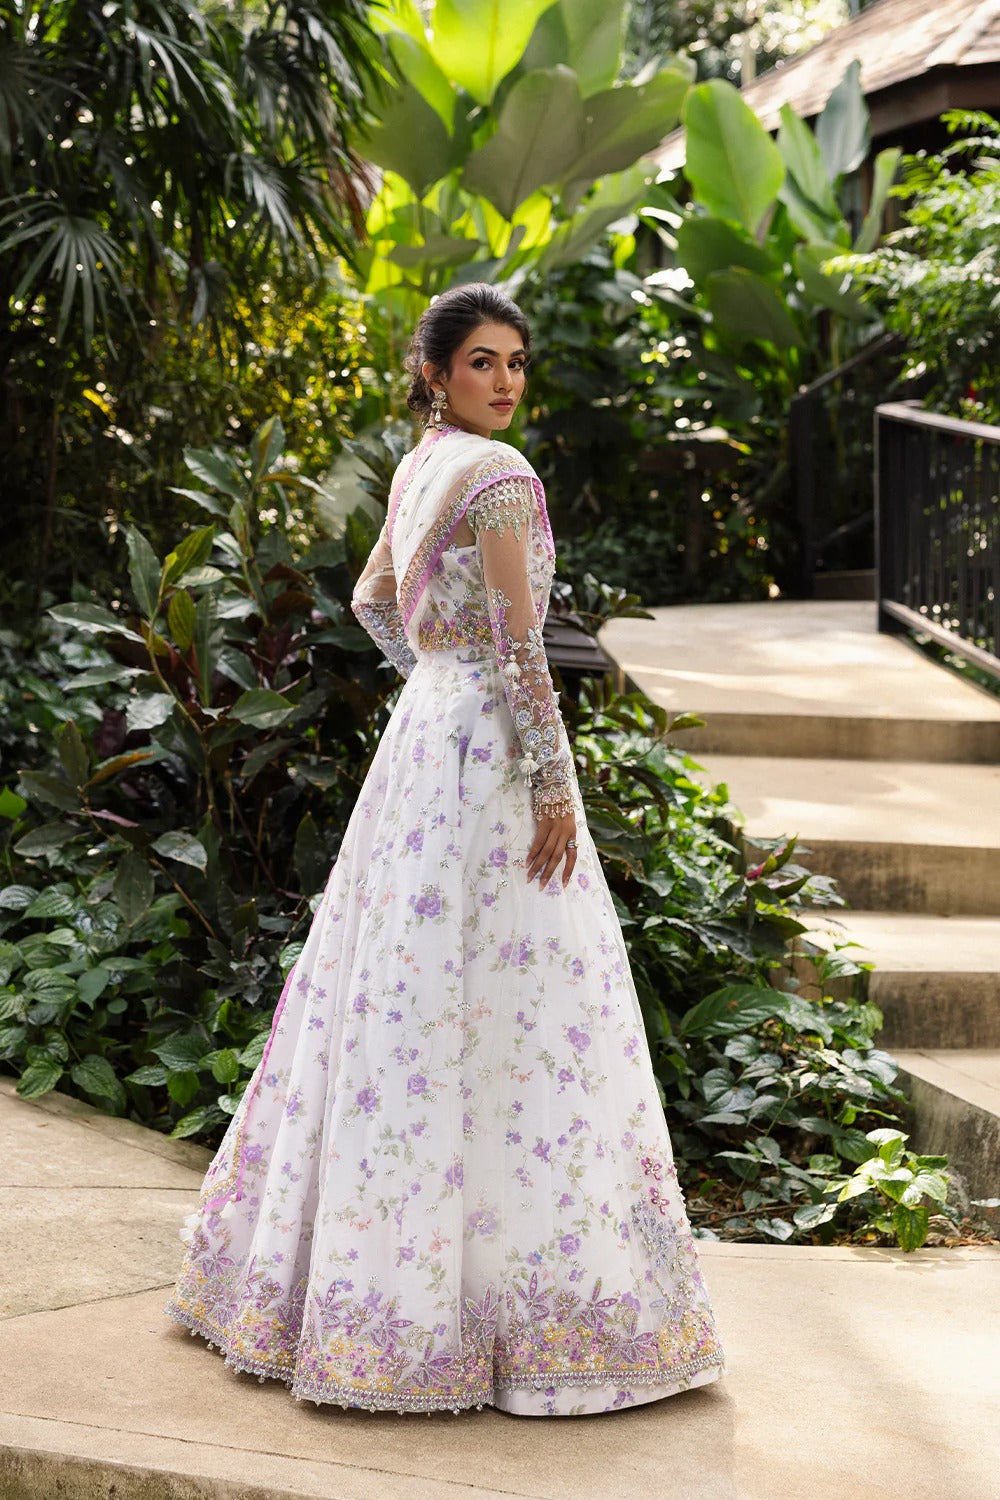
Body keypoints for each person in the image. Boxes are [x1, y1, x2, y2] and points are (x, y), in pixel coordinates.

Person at [165, 283, 726, 1416]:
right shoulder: (499, 476)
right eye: (482, 361)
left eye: (516, 361)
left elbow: (373, 598)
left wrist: (435, 676)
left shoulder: (421, 466)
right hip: (491, 759)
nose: (505, 381)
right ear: (434, 371)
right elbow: (521, 648)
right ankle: (525, 1319)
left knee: (404, 997)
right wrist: (552, 784)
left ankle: (363, 1302)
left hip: (426, 746)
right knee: (520, 1006)